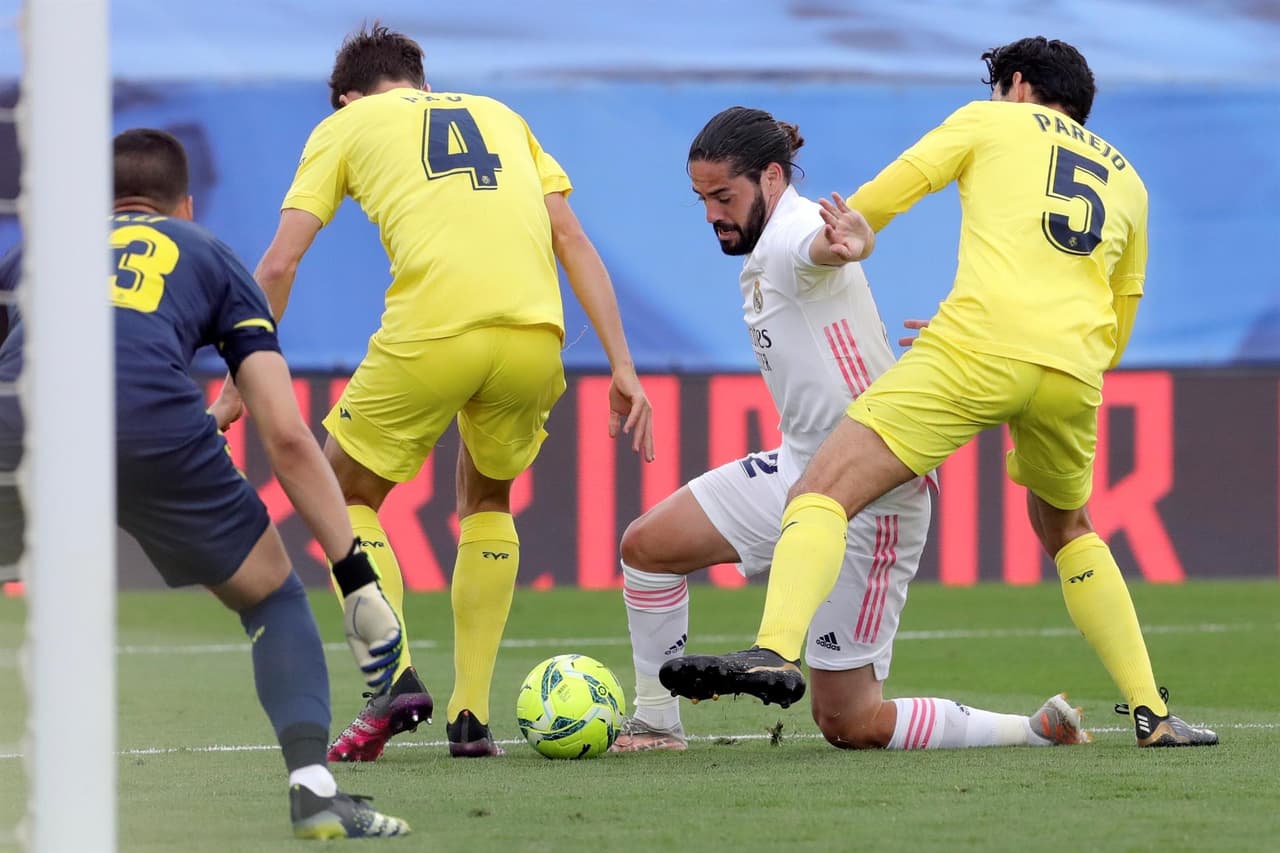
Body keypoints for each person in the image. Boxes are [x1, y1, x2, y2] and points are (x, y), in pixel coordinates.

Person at [659, 38, 1218, 748]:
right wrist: (1061, 362)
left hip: (976, 347)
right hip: (1075, 368)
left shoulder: (991, 121)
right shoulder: (1129, 181)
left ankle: (773, 646)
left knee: (821, 490)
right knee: (1069, 529)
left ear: (1015, 86)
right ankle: (1152, 712)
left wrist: (853, 230)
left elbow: (904, 182)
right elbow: (1122, 309)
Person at [212, 24, 654, 761]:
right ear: (419, 80)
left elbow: (283, 260)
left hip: (434, 329)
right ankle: (471, 717)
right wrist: (622, 363)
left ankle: (394, 677)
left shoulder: (345, 122)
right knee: (486, 499)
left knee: (342, 488)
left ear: (349, 94)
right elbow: (571, 237)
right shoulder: (502, 115)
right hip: (534, 334)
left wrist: (239, 372)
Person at [614, 107, 1088, 753]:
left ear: (772, 178)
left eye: (723, 196)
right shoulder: (769, 242)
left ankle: (1033, 731)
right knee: (647, 547)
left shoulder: (795, 231)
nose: (711, 214)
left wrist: (847, 245)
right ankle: (655, 722)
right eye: (701, 199)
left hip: (872, 491)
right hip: (802, 467)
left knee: (850, 721)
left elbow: (820, 247)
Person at [0, 128, 414, 838]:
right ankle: (314, 790)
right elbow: (285, 433)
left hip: (24, 422)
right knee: (272, 596)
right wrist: (355, 572)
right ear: (183, 205)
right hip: (154, 426)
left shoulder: (36, 252)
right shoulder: (212, 255)